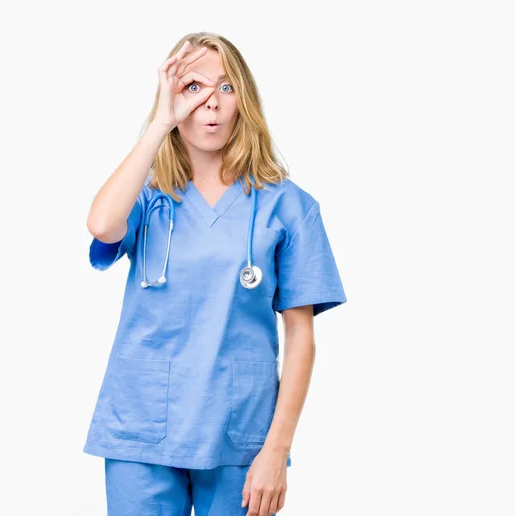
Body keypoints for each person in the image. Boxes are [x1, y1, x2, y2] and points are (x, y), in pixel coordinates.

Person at [83, 32, 347, 516]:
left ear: (243, 100)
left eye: (226, 88)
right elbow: (102, 225)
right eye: (193, 88)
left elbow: (300, 336)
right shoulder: (147, 195)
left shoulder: (288, 207)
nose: (211, 103)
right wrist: (161, 123)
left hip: (239, 434)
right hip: (141, 430)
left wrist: (275, 450)